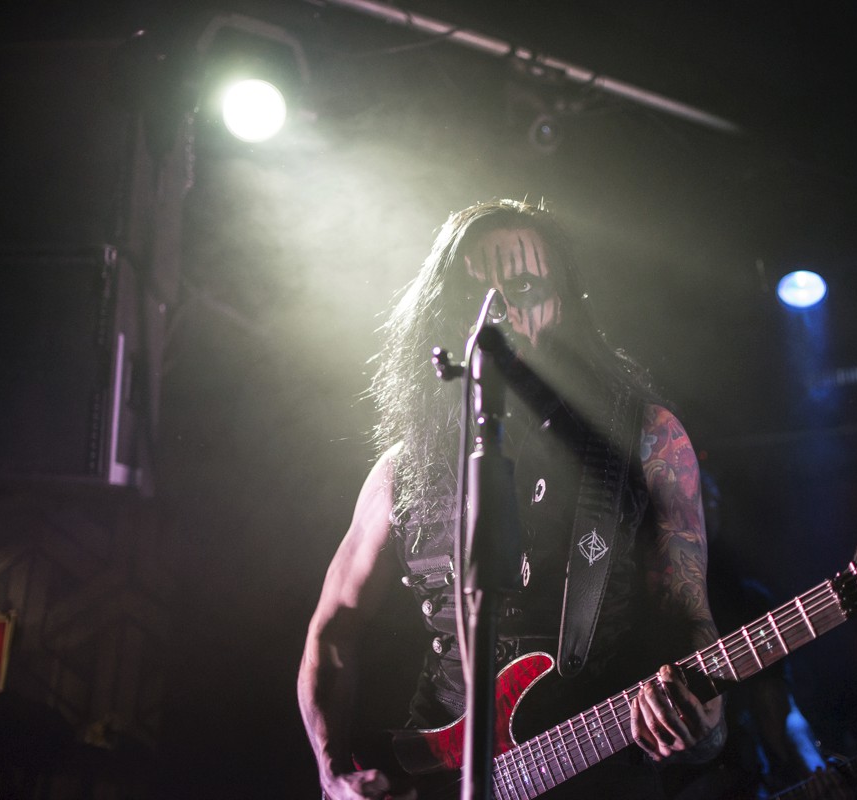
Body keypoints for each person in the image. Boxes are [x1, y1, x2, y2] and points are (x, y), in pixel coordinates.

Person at [298, 199, 726, 800]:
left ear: (563, 301)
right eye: (473, 292)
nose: (495, 311)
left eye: (523, 286)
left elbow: (689, 616)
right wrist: (333, 772)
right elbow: (333, 630)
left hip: (593, 772)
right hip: (438, 773)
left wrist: (701, 723)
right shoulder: (404, 467)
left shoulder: (646, 437)